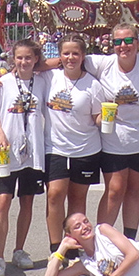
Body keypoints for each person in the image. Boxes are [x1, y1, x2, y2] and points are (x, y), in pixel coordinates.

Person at [81, 23, 139, 239]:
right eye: (117, 42)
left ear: (138, 43)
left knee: (134, 190)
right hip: (113, 137)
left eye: (128, 40)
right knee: (114, 190)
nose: (123, 46)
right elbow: (67, 59)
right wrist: (12, 70)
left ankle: (129, 240)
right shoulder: (103, 64)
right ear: (111, 45)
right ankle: (103, 241)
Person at [0, 37, 50, 276]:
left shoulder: (43, 81)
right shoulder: (2, 83)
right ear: (13, 58)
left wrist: (43, 64)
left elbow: (57, 63)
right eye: (19, 57)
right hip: (6, 153)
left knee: (27, 202)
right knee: (2, 202)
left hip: (33, 153)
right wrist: (1, 135)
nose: (23, 62)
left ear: (36, 59)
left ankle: (19, 250)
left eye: (28, 57)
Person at [44, 34, 105, 253]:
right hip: (56, 148)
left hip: (85, 149)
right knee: (54, 195)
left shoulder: (93, 84)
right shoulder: (49, 78)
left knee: (78, 198)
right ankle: (56, 247)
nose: (71, 57)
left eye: (75, 53)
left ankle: (76, 246)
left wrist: (107, 119)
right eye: (66, 53)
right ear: (59, 56)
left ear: (83, 56)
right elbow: (27, 68)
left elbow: (97, 116)